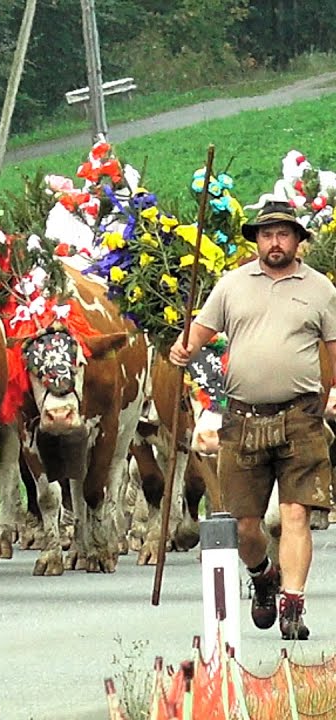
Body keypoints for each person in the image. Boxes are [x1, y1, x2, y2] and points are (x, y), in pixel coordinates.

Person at [170, 201, 336, 641]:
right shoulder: (231, 285)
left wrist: (334, 391)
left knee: (296, 512)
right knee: (245, 524)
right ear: (257, 240)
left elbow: (334, 348)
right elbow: (198, 334)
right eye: (267, 234)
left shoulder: (321, 290)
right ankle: (263, 575)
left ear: (299, 240)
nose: (275, 242)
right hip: (242, 418)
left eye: (283, 234)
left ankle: (293, 604)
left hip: (302, 415)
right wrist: (182, 347)